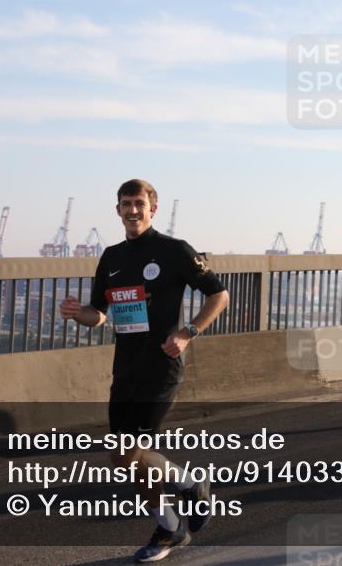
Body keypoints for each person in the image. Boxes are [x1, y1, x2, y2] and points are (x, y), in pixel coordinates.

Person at [59, 179, 230, 562]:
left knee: (127, 453)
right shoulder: (112, 257)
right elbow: (99, 314)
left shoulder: (174, 250)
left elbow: (219, 295)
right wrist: (76, 313)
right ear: (117, 210)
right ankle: (177, 512)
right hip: (126, 368)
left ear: (153, 208)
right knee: (125, 458)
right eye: (126, 204)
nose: (132, 210)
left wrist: (187, 333)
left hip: (161, 367)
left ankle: (180, 505)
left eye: (139, 203)